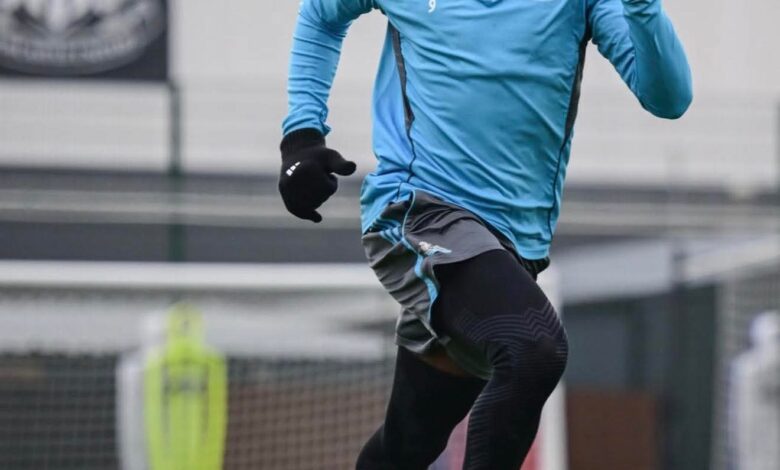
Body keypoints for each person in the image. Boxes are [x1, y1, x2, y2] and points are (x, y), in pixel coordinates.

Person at [278, 0, 692, 468]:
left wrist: (641, 6)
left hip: (509, 248)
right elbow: (321, 15)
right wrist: (302, 135)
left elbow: (668, 98)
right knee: (533, 349)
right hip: (417, 210)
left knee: (410, 442)